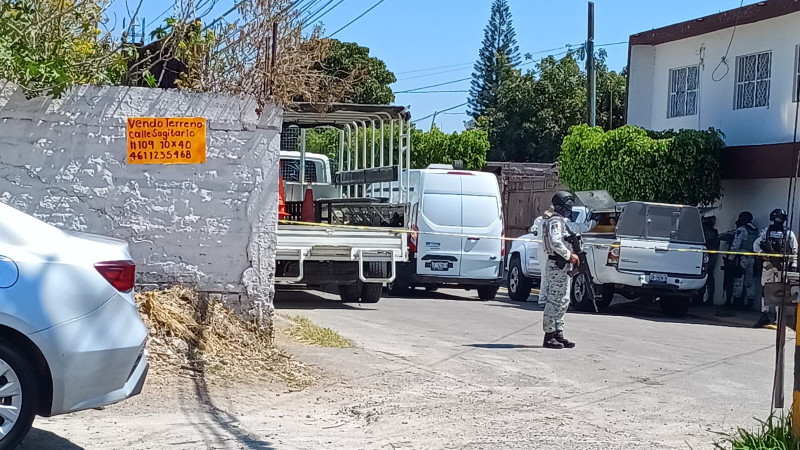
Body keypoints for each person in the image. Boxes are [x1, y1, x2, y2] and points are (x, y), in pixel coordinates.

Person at [541, 191, 580, 349]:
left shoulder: (560, 221)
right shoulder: (555, 221)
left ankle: (558, 333)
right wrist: (569, 255)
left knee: (563, 300)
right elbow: (556, 242)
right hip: (557, 264)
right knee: (555, 300)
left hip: (562, 265)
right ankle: (549, 335)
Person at [535, 209, 595, 308]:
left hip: (546, 251)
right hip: (557, 254)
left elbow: (534, 229)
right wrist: (594, 222)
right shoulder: (560, 222)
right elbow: (581, 227)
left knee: (545, 276)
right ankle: (548, 301)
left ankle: (544, 300)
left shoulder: (543, 221)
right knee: (561, 281)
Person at [753, 208, 798, 328]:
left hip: (782, 266)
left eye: (781, 218)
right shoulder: (766, 231)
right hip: (768, 265)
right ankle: (764, 315)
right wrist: (762, 253)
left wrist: (793, 265)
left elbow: (795, 250)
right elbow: (756, 244)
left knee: (779, 292)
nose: (779, 220)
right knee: (765, 290)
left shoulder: (789, 233)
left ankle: (778, 319)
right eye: (777, 218)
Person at [729, 211, 759, 309]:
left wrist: (731, 258)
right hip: (752, 258)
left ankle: (736, 302)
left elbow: (735, 245)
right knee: (749, 281)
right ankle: (750, 303)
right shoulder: (756, 231)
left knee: (738, 280)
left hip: (741, 257)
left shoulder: (741, 230)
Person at [701, 216, 720, 304]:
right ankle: (706, 297)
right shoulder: (714, 232)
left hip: (707, 256)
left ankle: (701, 296)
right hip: (711, 256)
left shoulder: (707, 232)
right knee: (709, 276)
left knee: (705, 275)